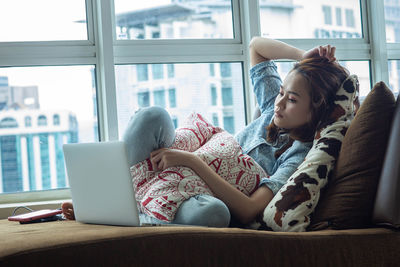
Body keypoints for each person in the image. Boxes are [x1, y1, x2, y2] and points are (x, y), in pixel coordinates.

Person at [62, 37, 350, 227]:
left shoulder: (299, 156)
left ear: (316, 111)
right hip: (179, 169)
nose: (280, 102)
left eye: (292, 99)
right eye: (282, 92)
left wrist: (190, 161)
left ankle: (132, 216)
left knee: (213, 214)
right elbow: (256, 46)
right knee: (153, 116)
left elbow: (250, 210)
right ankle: (113, 201)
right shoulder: (271, 111)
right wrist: (306, 58)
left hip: (199, 192)